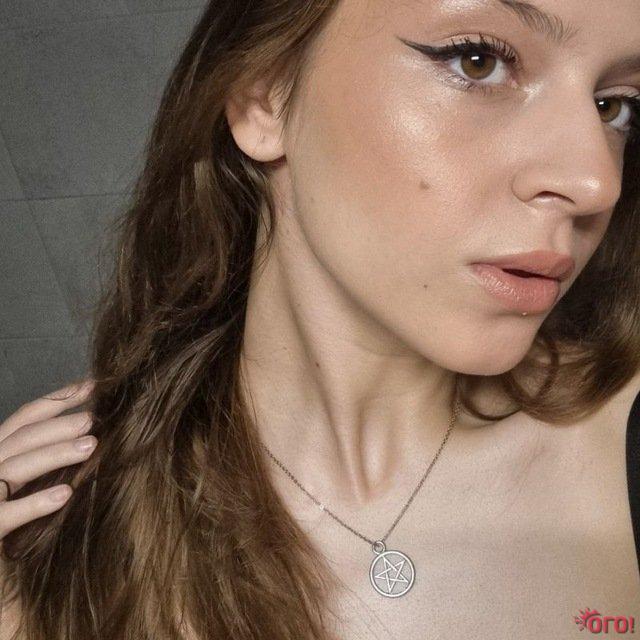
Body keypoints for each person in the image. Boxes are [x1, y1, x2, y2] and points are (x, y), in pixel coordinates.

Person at [1, 0, 640, 637]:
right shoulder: (67, 547)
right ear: (265, 96)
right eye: (478, 62)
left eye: (614, 106)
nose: (595, 182)